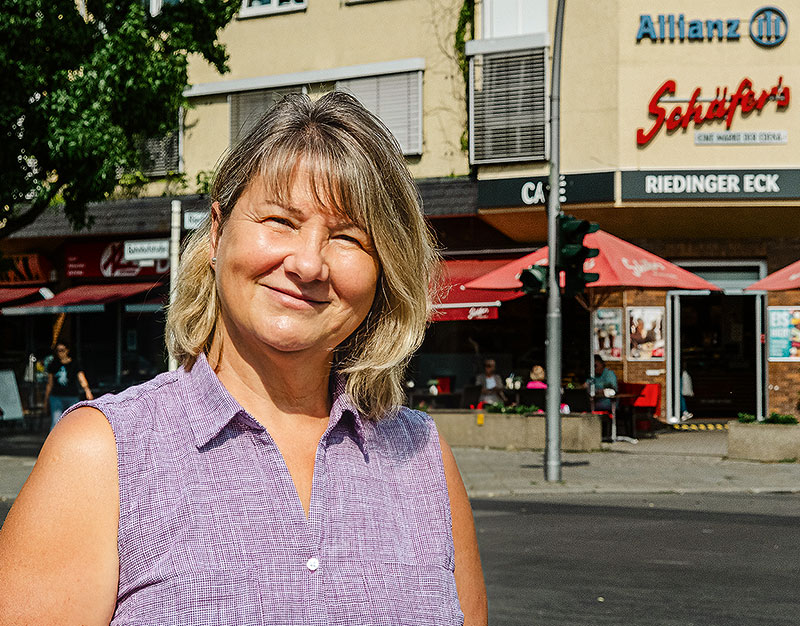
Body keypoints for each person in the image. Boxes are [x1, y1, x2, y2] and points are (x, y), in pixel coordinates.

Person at [0, 93, 487, 625]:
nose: (307, 263)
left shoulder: (423, 459)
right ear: (216, 232)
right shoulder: (104, 455)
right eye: (280, 220)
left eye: (349, 237)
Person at [43, 342, 93, 430]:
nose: (60, 353)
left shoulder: (74, 363)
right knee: (56, 421)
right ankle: (54, 442)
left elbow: (81, 378)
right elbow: (50, 383)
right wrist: (46, 400)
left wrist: (87, 390)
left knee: (73, 422)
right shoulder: (53, 364)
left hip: (72, 396)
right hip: (57, 396)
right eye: (58, 351)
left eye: (62, 350)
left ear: (67, 351)